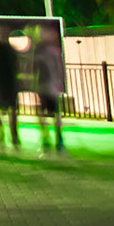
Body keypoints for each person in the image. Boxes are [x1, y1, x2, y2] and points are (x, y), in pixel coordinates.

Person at [33, 26, 66, 154]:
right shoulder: (49, 51)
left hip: (48, 85)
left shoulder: (44, 51)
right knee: (51, 113)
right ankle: (53, 138)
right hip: (47, 85)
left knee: (48, 113)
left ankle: (51, 138)